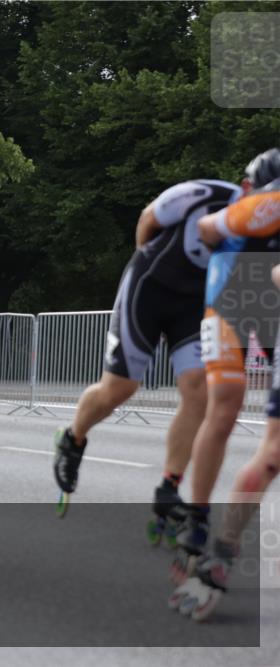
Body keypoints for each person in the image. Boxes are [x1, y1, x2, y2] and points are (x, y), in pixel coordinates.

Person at [52, 175, 242, 529]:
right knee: (120, 389)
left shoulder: (265, 235)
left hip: (193, 305)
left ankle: (169, 487)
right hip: (148, 288)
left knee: (198, 390)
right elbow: (146, 221)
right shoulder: (204, 194)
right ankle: (72, 438)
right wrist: (143, 267)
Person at [169, 148, 280, 591]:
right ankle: (197, 516)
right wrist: (231, 220)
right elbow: (205, 227)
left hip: (269, 301)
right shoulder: (262, 204)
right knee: (226, 406)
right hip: (232, 298)